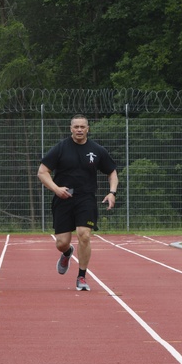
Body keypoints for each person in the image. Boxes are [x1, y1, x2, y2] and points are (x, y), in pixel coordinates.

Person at [38, 114, 119, 291]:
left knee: (84, 234)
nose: (80, 130)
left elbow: (112, 172)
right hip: (63, 198)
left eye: (83, 127)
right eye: (76, 127)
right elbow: (42, 172)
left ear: (88, 129)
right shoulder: (61, 148)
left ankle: (81, 276)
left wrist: (112, 193)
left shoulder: (96, 150)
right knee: (61, 242)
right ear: (71, 129)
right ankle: (67, 253)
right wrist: (56, 189)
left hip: (86, 198)